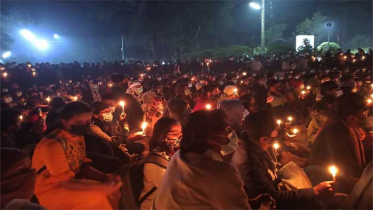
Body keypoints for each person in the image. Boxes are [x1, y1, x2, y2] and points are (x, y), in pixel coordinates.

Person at [153, 110, 252, 209]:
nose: (229, 133)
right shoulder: (220, 172)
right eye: (226, 129)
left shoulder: (179, 157)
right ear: (212, 135)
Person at [32, 101, 121, 209]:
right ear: (65, 122)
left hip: (72, 181)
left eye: (87, 122)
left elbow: (82, 166)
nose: (84, 126)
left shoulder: (78, 137)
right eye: (79, 123)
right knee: (98, 196)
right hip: (50, 188)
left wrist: (104, 178)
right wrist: (101, 187)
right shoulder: (53, 144)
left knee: (112, 191)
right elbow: (64, 182)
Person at [239, 110, 333, 209]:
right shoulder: (249, 164)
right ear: (264, 139)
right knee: (319, 205)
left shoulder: (255, 140)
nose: (278, 135)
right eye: (276, 132)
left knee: (320, 170)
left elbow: (276, 134)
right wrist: (313, 191)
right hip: (276, 202)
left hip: (279, 181)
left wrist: (283, 134)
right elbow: (271, 197)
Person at [309, 93, 368, 192]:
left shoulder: (346, 126)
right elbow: (346, 168)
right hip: (328, 182)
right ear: (351, 117)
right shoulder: (334, 132)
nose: (366, 116)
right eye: (363, 112)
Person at [140, 118, 182, 210]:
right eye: (175, 133)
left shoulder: (174, 153)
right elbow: (172, 188)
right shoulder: (153, 163)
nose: (180, 136)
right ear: (163, 137)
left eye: (181, 132)